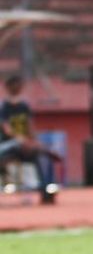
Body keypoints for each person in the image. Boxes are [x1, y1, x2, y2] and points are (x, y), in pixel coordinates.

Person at [0, 75, 59, 204]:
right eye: (15, 84)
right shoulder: (3, 107)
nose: (18, 87)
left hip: (25, 147)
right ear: (8, 87)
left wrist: (35, 141)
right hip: (7, 147)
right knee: (22, 145)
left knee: (41, 157)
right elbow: (7, 130)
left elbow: (31, 128)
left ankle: (46, 191)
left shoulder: (24, 106)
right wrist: (22, 140)